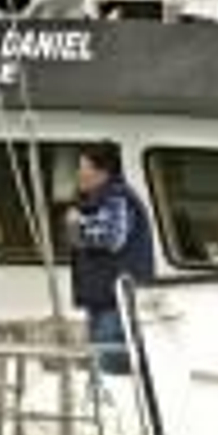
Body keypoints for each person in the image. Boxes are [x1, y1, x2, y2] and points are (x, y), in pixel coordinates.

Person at [67, 140, 155, 375]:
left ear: (102, 172)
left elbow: (113, 239)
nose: (78, 173)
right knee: (101, 362)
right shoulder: (98, 200)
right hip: (102, 299)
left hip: (116, 303)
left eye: (84, 167)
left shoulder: (117, 197)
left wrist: (78, 224)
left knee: (110, 369)